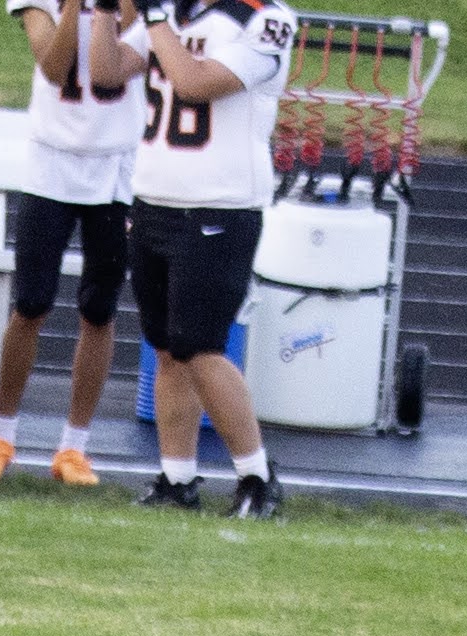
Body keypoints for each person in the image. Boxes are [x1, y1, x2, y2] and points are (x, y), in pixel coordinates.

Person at [128, 0, 295, 518]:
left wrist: (155, 18)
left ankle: (257, 477)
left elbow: (195, 83)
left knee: (199, 346)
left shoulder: (265, 18)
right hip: (154, 199)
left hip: (220, 206)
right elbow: (108, 71)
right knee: (167, 349)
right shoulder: (172, 12)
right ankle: (177, 480)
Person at [0, 0, 134, 487]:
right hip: (51, 162)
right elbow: (54, 67)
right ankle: (1, 436)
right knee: (32, 302)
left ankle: (74, 446)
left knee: (99, 309)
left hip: (116, 162)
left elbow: (128, 40)